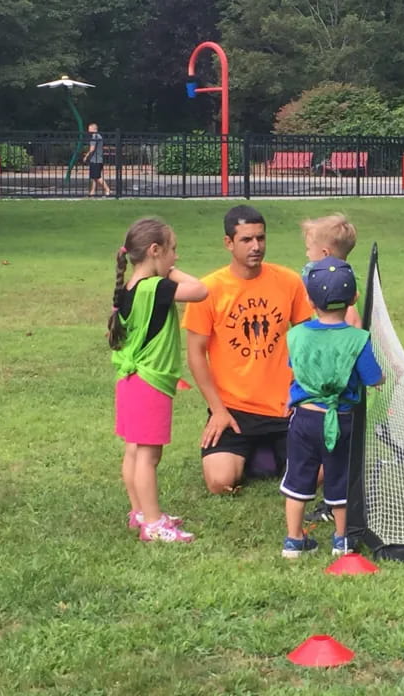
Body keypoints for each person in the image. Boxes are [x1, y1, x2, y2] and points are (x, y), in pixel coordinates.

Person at [182, 205, 314, 494]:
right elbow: (195, 354)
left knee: (318, 476)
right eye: (246, 240)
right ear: (228, 243)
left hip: (284, 409)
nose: (256, 246)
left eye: (261, 238)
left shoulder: (289, 281)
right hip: (234, 411)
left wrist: (304, 395)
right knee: (220, 483)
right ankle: (261, 455)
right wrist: (218, 411)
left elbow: (307, 340)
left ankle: (265, 455)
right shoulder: (208, 290)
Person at [109, 217, 208, 543]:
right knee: (149, 457)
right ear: (154, 251)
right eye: (173, 250)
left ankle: (140, 513)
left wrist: (162, 268)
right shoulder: (157, 287)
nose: (176, 257)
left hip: (129, 380)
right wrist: (169, 272)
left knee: (134, 451)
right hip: (150, 382)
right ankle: (153, 523)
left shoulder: (128, 288)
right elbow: (201, 290)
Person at [279, 257, 384, 558]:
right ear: (353, 299)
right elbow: (374, 378)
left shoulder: (296, 335)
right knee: (339, 478)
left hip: (303, 420)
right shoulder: (358, 339)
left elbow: (295, 368)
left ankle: (293, 541)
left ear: (310, 300)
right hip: (341, 420)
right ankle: (342, 540)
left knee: (298, 477)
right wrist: (384, 377)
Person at [300, 213, 362, 525]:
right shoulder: (339, 295)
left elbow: (352, 341)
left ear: (324, 255)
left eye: (308, 251)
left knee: (336, 451)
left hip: (336, 398)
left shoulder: (343, 306)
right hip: (330, 398)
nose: (306, 257)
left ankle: (337, 502)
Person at [83, 122, 111, 197]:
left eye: (89, 128)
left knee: (97, 177)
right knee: (94, 177)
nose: (88, 130)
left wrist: (86, 156)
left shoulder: (94, 136)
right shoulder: (99, 136)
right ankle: (92, 192)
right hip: (99, 159)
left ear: (93, 129)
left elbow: (92, 149)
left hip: (95, 159)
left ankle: (107, 189)